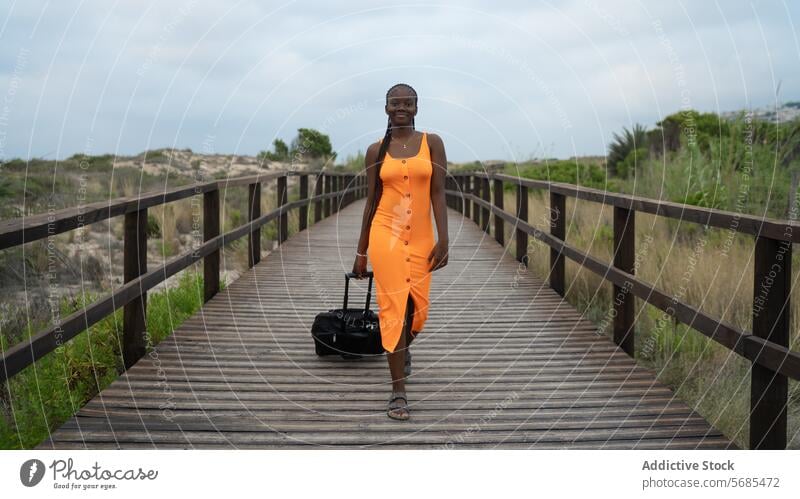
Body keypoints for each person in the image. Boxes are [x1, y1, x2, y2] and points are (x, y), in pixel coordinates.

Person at [351, 83, 449, 420]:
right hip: (385, 236)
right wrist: (361, 251)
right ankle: (398, 390)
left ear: (417, 108)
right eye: (395, 103)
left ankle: (402, 346)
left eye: (407, 103)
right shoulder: (375, 150)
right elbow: (371, 201)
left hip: (422, 237)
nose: (401, 108)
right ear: (386, 109)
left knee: (417, 309)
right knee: (394, 306)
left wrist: (444, 238)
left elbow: (438, 193)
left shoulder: (432, 143)